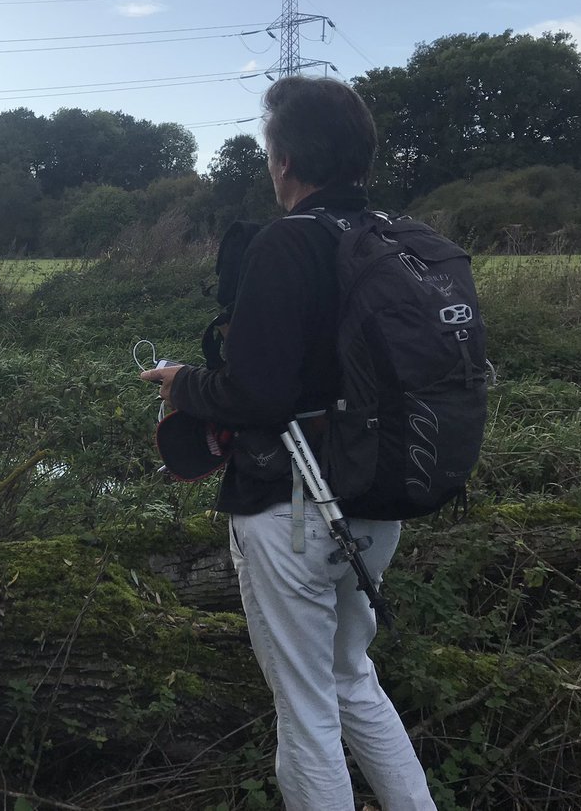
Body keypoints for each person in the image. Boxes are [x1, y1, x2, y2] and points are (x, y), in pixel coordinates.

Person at [140, 76, 437, 811]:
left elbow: (256, 395)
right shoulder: (397, 241)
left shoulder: (287, 244)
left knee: (306, 714)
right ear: (362, 157)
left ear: (282, 160)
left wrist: (183, 384)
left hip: (292, 509)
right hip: (379, 502)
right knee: (352, 680)